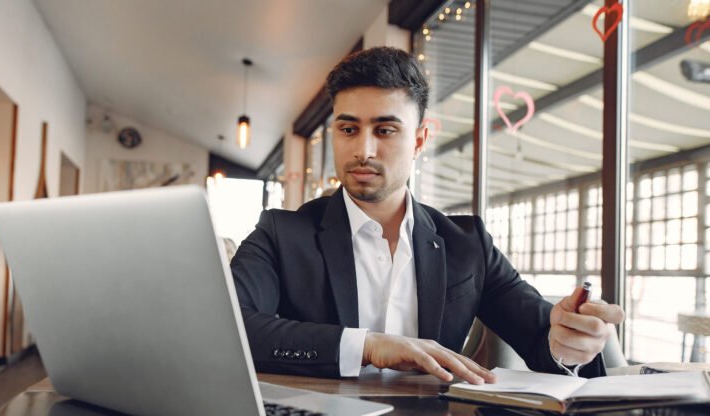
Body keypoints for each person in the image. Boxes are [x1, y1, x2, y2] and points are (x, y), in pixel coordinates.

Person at [230, 46, 624, 384]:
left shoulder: (468, 244)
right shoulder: (281, 232)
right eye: (348, 130)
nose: (363, 150)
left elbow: (542, 341)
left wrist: (567, 344)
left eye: (384, 130)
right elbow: (228, 326)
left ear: (418, 140)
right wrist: (366, 346)